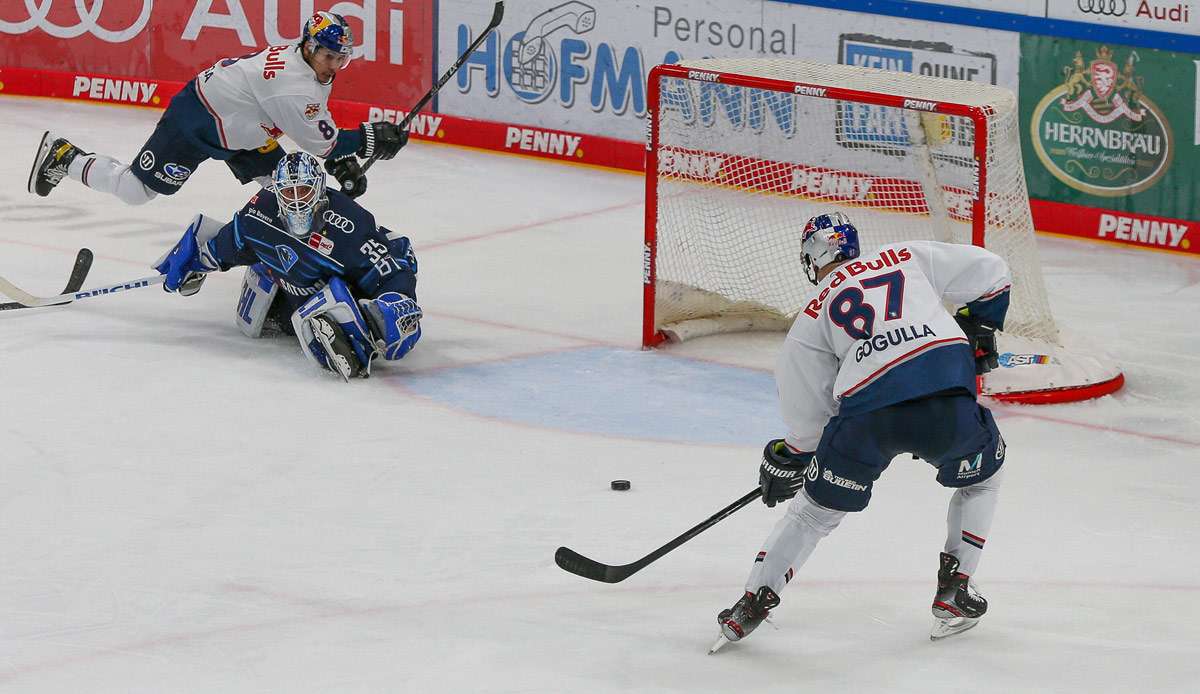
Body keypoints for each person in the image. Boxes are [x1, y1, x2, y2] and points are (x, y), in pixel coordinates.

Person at [711, 212, 1010, 652]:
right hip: (943, 396)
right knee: (983, 480)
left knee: (812, 515)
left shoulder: (811, 316)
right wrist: (980, 329)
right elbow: (992, 270)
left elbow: (806, 408)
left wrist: (794, 457)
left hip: (869, 417)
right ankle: (955, 590)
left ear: (813, 258)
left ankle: (751, 604)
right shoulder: (905, 256)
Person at [27, 11, 403, 205]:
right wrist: (369, 141)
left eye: (341, 58)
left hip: (246, 131)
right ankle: (66, 157)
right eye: (328, 56)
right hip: (199, 122)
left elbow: (316, 123)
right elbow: (324, 143)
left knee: (291, 196)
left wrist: (341, 153)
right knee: (135, 192)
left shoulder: (307, 66)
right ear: (308, 45)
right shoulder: (290, 85)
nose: (334, 65)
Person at [152, 151, 422, 381]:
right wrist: (197, 260)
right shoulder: (261, 209)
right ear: (276, 190)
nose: (295, 200)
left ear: (318, 189)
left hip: (350, 282)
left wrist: (397, 299)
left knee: (383, 327)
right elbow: (229, 243)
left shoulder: (348, 225)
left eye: (302, 190)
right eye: (287, 191)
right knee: (260, 323)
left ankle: (361, 330)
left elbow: (391, 270)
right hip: (292, 288)